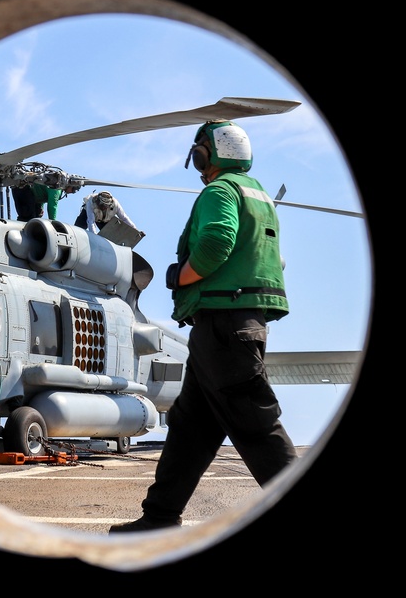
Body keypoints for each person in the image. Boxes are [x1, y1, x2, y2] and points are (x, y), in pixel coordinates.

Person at [109, 119, 298, 534]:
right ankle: (158, 518)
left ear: (208, 153)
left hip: (224, 326)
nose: (196, 159)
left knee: (257, 427)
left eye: (198, 151)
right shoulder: (257, 194)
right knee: (189, 430)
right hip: (231, 326)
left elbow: (216, 240)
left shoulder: (220, 190)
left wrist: (182, 275)